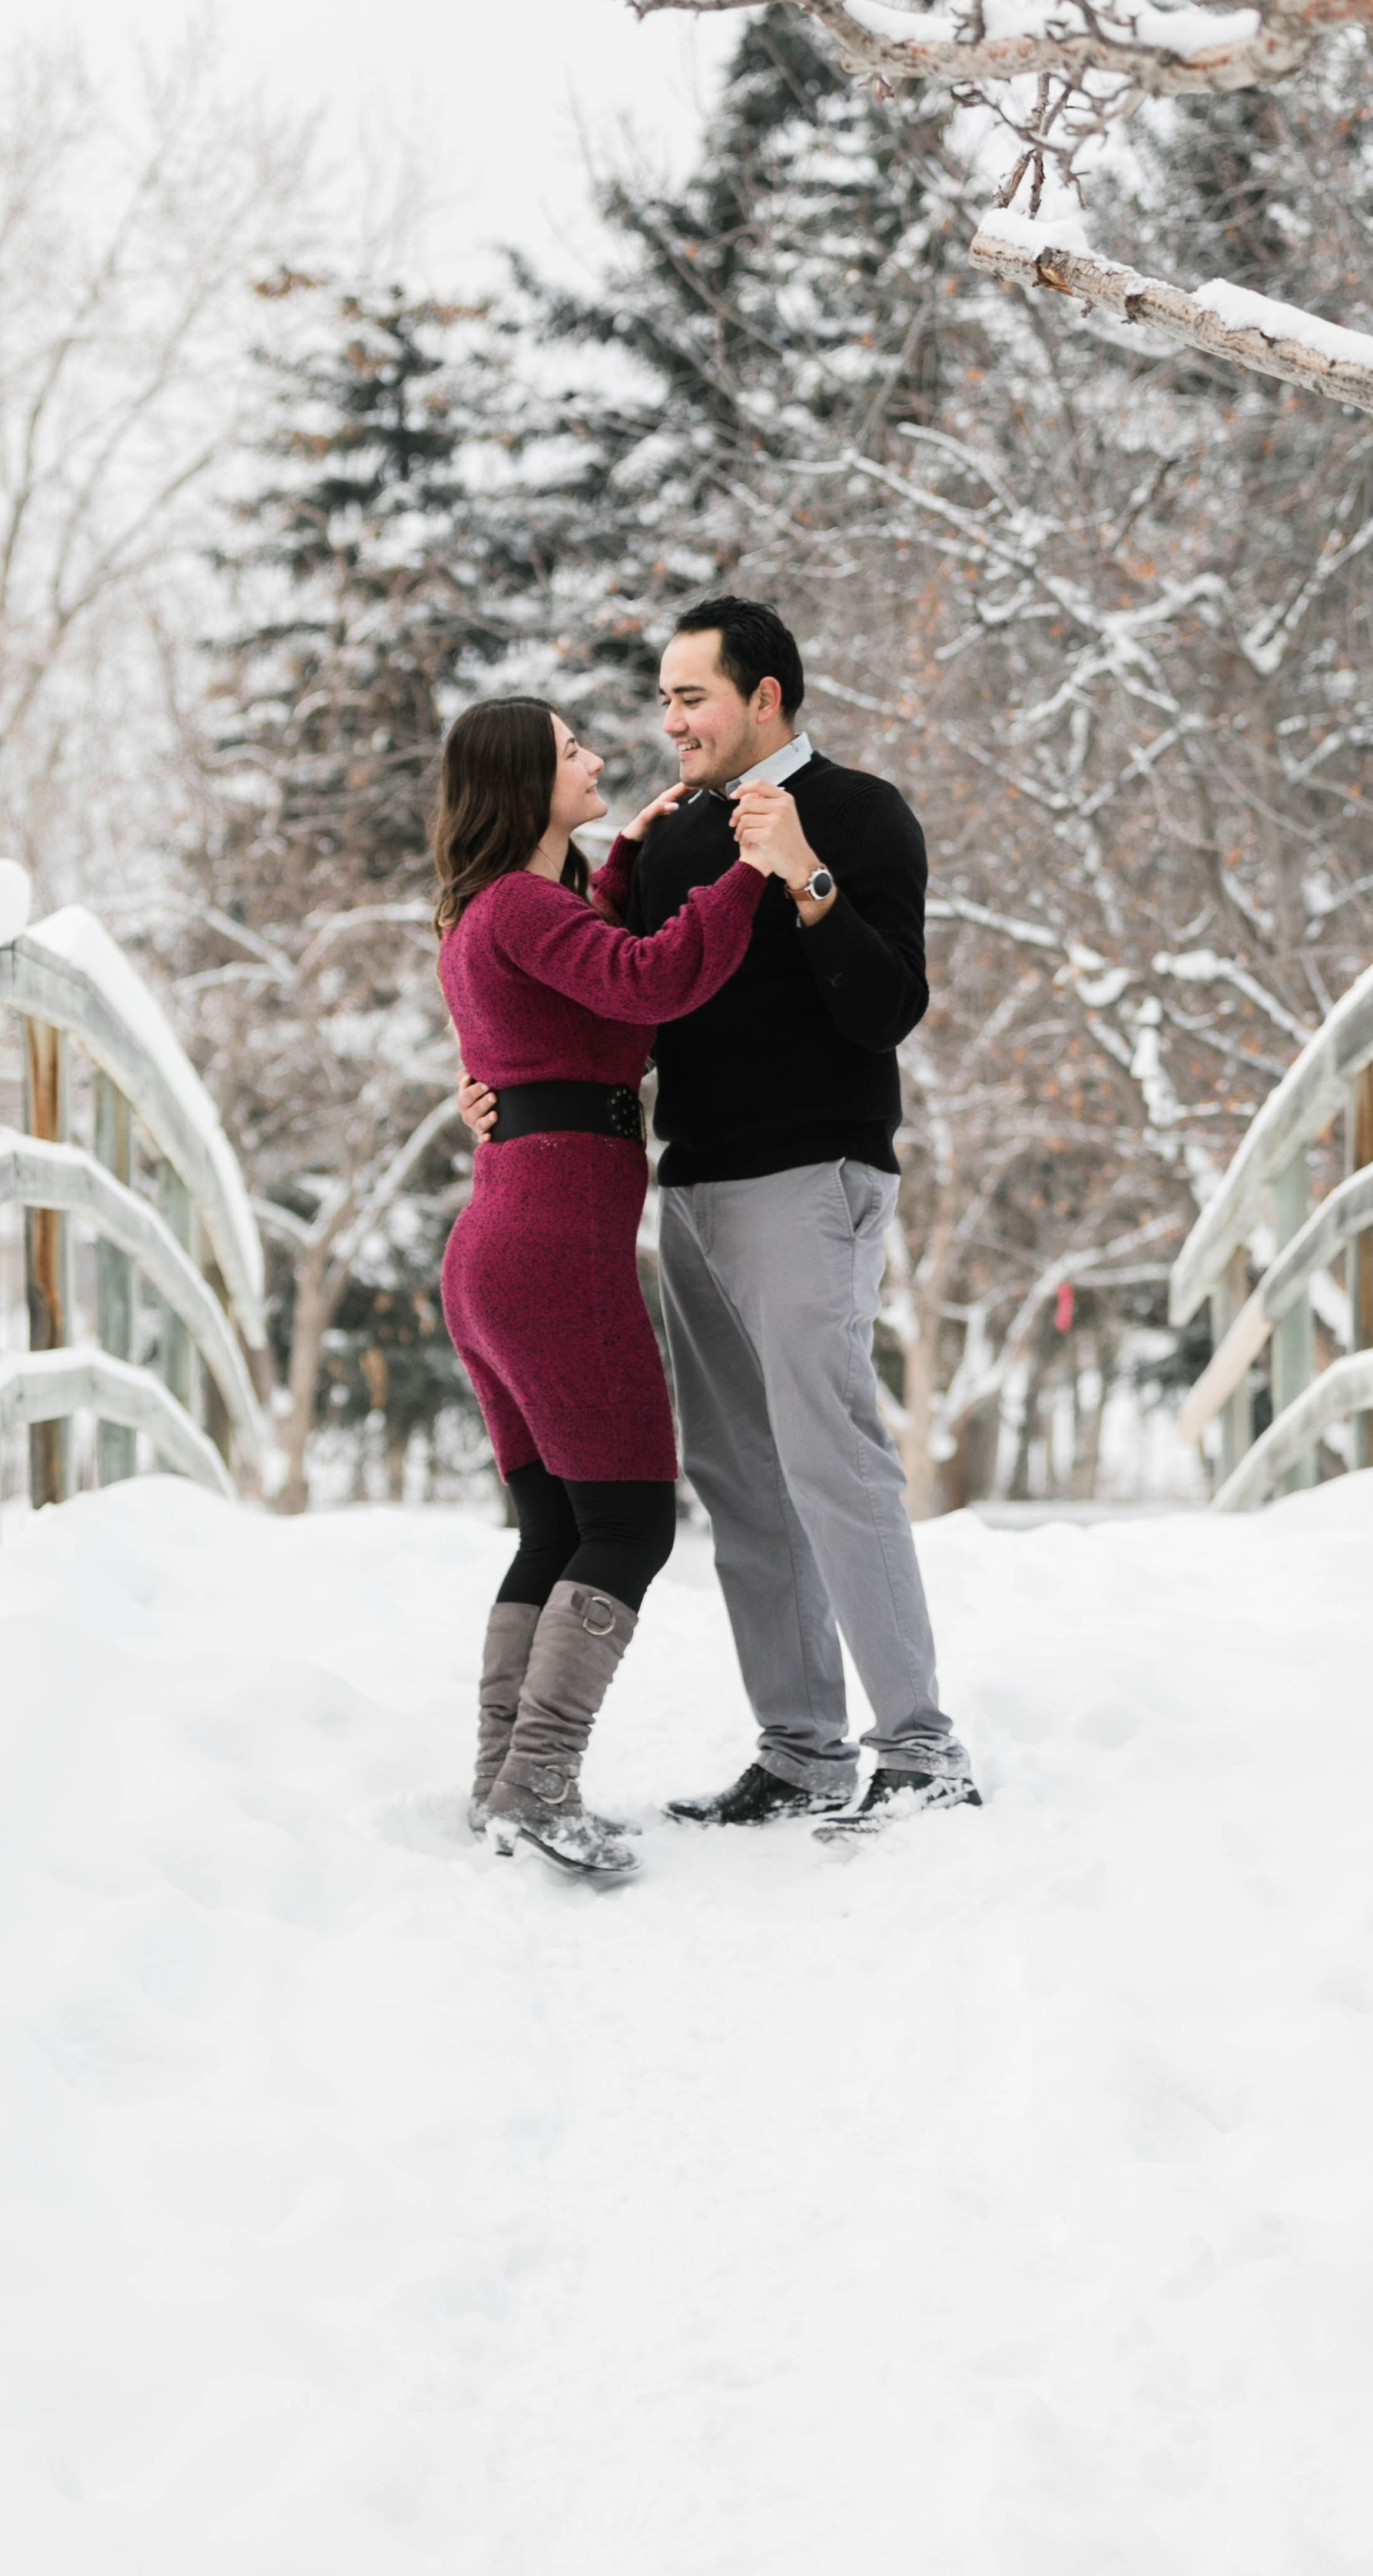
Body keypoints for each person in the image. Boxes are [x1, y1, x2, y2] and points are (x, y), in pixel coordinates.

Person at [459, 598, 980, 1838]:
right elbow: (613, 1003)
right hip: (690, 1183)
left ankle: (918, 1749)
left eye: (692, 696)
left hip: (814, 1175)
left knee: (828, 1452)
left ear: (767, 699)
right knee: (740, 1476)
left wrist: (804, 875)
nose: (671, 721)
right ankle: (800, 1753)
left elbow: (886, 1008)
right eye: (662, 701)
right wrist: (507, 1091)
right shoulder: (684, 839)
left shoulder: (861, 815)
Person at [433, 694, 771, 1880]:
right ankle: (538, 1784)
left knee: (560, 1525)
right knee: (628, 1522)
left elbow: (572, 981)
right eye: (571, 752)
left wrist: (625, 853)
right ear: (524, 782)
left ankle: (501, 1779)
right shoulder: (524, 907)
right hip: (553, 1258)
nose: (595, 759)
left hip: (499, 1251)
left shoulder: (497, 912)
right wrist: (748, 873)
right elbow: (646, 981)